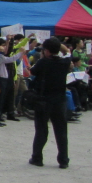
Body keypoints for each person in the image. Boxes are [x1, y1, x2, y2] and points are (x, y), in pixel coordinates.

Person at [29, 38, 71, 168]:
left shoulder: (43, 62)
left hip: (44, 100)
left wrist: (44, 55)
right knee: (61, 131)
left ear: (46, 51)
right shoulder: (65, 62)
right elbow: (68, 52)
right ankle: (63, 160)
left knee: (41, 130)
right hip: (60, 100)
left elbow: (32, 71)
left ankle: (37, 157)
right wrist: (58, 45)